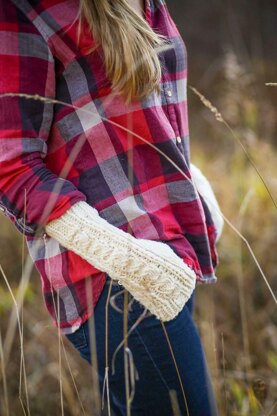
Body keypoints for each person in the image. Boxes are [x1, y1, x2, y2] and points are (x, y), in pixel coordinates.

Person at [0, 0, 224, 415]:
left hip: (170, 258)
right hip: (112, 278)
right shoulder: (25, 10)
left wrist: (198, 192)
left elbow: (146, 113)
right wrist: (127, 260)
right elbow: (12, 168)